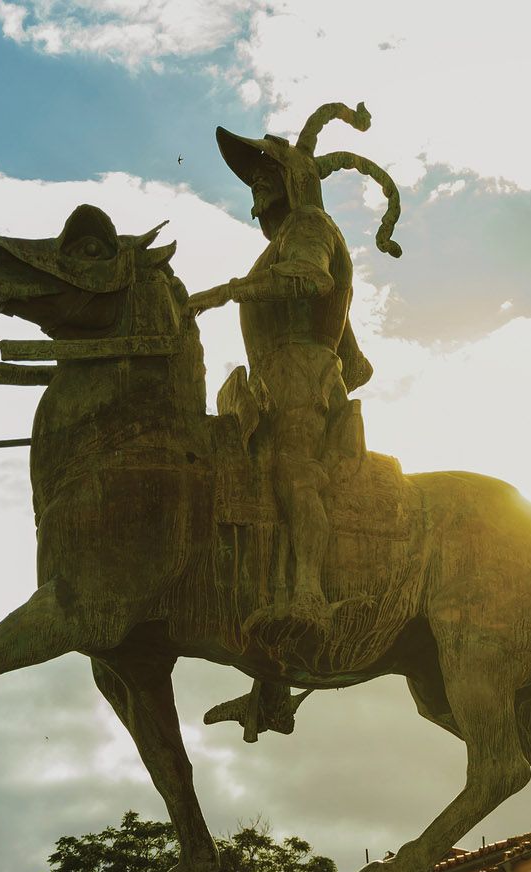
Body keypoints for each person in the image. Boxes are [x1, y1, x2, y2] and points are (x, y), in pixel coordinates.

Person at [188, 102, 402, 739]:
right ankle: (270, 679)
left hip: (305, 374)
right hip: (270, 378)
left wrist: (229, 291)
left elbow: (307, 280)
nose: (255, 197)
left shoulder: (308, 226)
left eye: (261, 183)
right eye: (251, 186)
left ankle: (308, 592)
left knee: (291, 473)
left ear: (289, 185)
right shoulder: (287, 237)